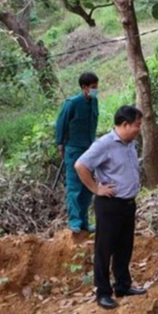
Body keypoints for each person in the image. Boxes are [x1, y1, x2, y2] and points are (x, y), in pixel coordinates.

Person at [75, 105, 149, 310]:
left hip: (127, 204)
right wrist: (96, 188)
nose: (138, 129)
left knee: (124, 247)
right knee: (104, 249)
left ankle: (123, 286)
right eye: (136, 126)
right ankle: (103, 293)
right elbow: (80, 165)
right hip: (109, 205)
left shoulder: (129, 143)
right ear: (124, 125)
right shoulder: (104, 145)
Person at [55, 72, 99, 234]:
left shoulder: (94, 102)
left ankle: (85, 223)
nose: (96, 90)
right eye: (93, 87)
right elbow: (61, 124)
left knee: (87, 186)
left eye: (96, 87)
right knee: (74, 186)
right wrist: (61, 145)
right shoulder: (72, 103)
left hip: (89, 149)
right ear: (84, 87)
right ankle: (74, 222)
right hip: (73, 149)